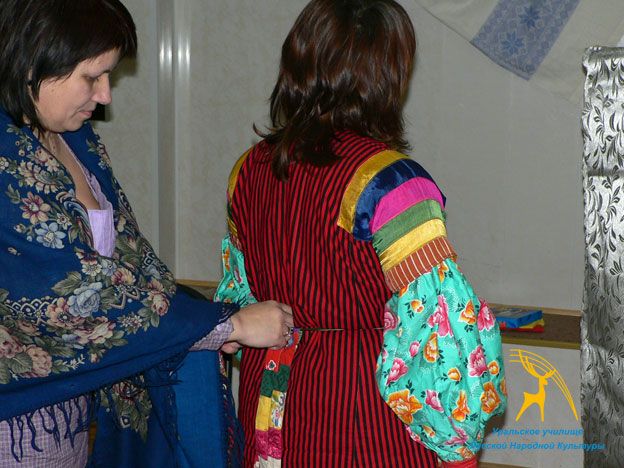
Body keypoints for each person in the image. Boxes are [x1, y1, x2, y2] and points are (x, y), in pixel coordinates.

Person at [0, 1, 293, 466]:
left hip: (68, 417)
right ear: (34, 63)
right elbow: (71, 298)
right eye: (92, 77)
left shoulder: (74, 139)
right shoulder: (6, 163)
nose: (105, 95)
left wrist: (202, 325)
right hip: (17, 430)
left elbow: (131, 264)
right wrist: (227, 326)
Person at [215, 0, 507, 466]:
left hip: (269, 401)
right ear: (387, 76)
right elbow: (440, 330)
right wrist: (458, 447)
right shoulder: (393, 184)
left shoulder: (248, 171)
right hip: (357, 412)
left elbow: (240, 294)